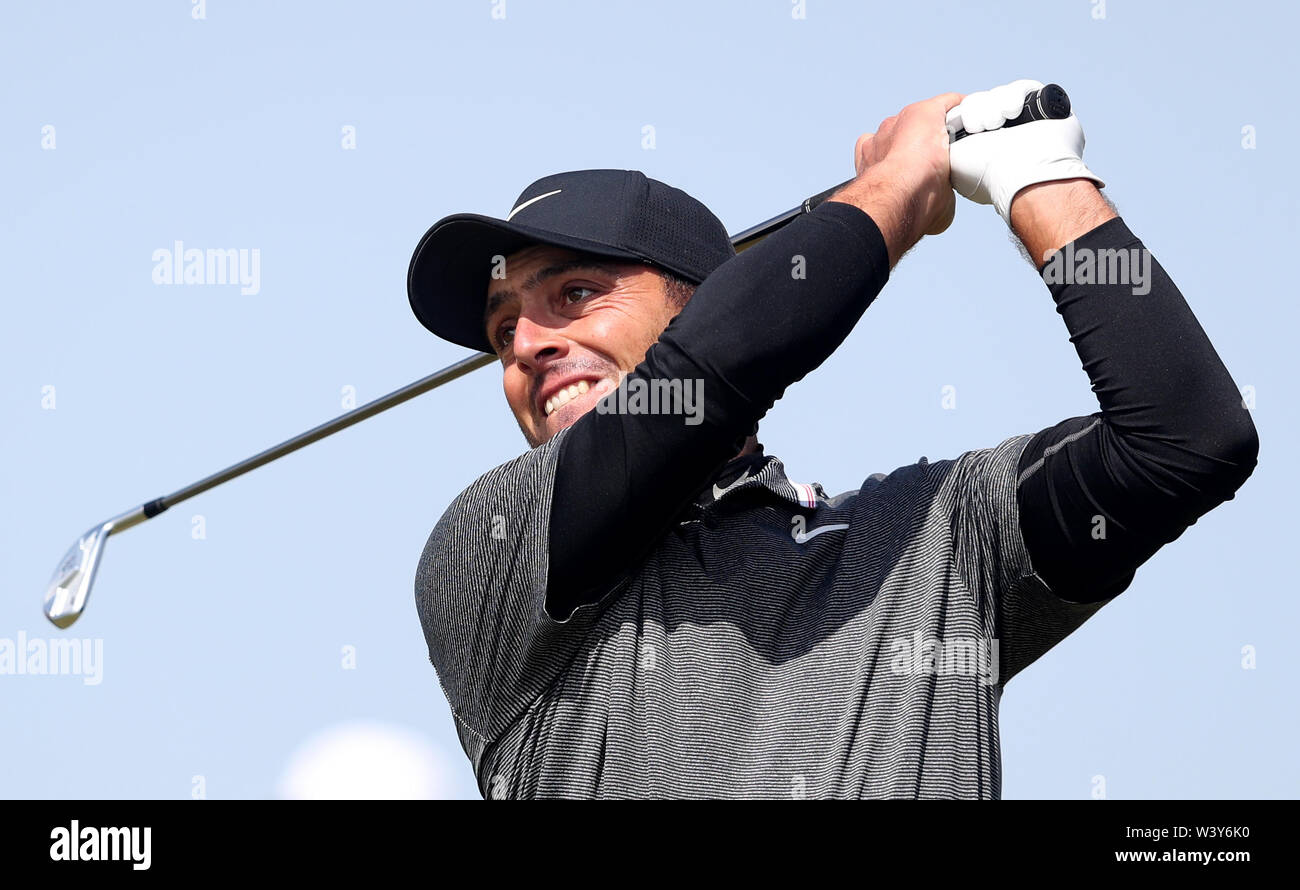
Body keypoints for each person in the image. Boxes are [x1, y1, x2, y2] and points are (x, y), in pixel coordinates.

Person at [405, 81, 1258, 799]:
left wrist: (1037, 175)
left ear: (700, 303)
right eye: (504, 329)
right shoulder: (490, 552)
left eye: (577, 294)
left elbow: (1183, 440)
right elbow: (705, 380)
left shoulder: (934, 541)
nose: (523, 346)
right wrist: (897, 190)